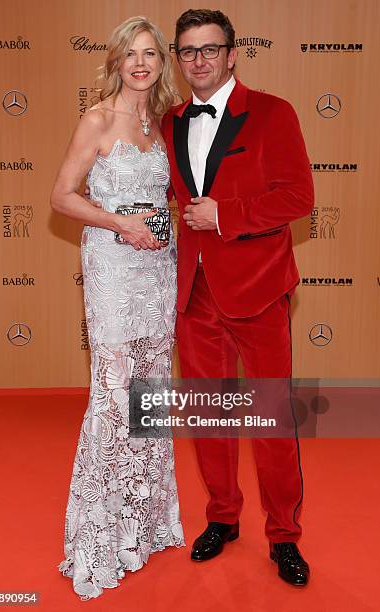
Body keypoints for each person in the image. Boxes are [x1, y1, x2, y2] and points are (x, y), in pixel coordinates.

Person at [161, 9, 314, 586]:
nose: (198, 60)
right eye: (188, 50)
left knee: (272, 420)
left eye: (209, 48)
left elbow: (299, 195)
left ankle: (284, 535)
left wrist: (228, 216)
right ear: (179, 60)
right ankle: (222, 517)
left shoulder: (273, 112)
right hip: (195, 293)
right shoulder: (171, 120)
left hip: (259, 289)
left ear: (231, 53)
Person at [50, 16, 184, 601]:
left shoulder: (162, 126)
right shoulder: (98, 119)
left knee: (150, 394)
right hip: (111, 270)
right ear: (115, 60)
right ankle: (100, 538)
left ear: (161, 64)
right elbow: (61, 196)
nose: (140, 63)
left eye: (150, 54)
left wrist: (161, 227)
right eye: (130, 53)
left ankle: (144, 524)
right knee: (113, 397)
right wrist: (117, 223)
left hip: (158, 271)